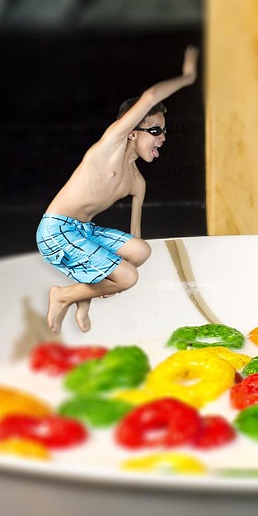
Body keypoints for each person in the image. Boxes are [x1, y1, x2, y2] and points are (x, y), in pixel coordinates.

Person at [37, 46, 198, 334]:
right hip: (56, 230)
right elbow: (151, 96)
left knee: (141, 251)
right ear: (131, 132)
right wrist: (187, 77)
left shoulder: (137, 181)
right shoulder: (108, 148)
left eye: (164, 131)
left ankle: (83, 292)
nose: (163, 137)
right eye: (155, 130)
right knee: (128, 277)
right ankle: (63, 296)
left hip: (84, 231)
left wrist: (109, 275)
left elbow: (135, 236)